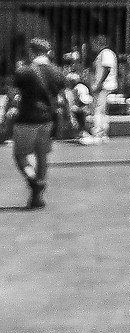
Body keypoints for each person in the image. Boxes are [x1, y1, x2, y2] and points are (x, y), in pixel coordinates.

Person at [4, 37, 69, 209]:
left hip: (26, 119)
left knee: (20, 155)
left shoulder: (24, 71)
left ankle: (34, 181)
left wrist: (6, 116)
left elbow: (12, 96)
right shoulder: (57, 71)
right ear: (48, 52)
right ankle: (37, 196)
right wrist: (68, 118)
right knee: (42, 156)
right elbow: (64, 98)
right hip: (47, 120)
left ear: (31, 51)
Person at [85, 33, 116, 143]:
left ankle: (97, 134)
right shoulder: (105, 53)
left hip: (104, 86)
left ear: (99, 43)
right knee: (102, 111)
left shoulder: (105, 53)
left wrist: (98, 84)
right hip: (104, 85)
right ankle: (103, 134)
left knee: (97, 110)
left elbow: (107, 68)